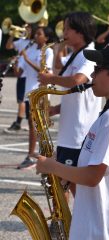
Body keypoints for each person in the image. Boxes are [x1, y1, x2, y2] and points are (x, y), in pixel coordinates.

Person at [36, 39, 109, 240]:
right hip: (103, 226)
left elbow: (92, 177)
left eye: (98, 68)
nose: (92, 74)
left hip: (102, 231)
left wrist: (52, 166)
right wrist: (67, 176)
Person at [38, 11, 102, 196]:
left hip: (78, 133)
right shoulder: (77, 54)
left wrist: (50, 78)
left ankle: (66, 223)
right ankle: (67, 223)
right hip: (70, 132)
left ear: (80, 32)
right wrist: (57, 108)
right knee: (66, 184)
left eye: (67, 29)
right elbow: (77, 93)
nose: (63, 32)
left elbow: (78, 80)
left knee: (67, 183)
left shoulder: (89, 54)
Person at [16, 26, 54, 169]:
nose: (36, 35)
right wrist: (17, 62)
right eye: (36, 33)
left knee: (35, 126)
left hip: (40, 93)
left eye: (39, 33)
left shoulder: (48, 51)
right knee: (33, 126)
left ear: (46, 38)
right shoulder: (30, 50)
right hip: (29, 93)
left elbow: (44, 71)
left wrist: (26, 59)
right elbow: (20, 74)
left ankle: (32, 155)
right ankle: (35, 155)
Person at [4, 23, 37, 133]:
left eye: (29, 28)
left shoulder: (33, 43)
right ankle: (27, 121)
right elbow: (8, 46)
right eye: (25, 28)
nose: (26, 30)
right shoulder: (21, 42)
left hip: (26, 74)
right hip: (20, 71)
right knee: (22, 99)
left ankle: (19, 122)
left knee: (22, 99)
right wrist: (13, 34)